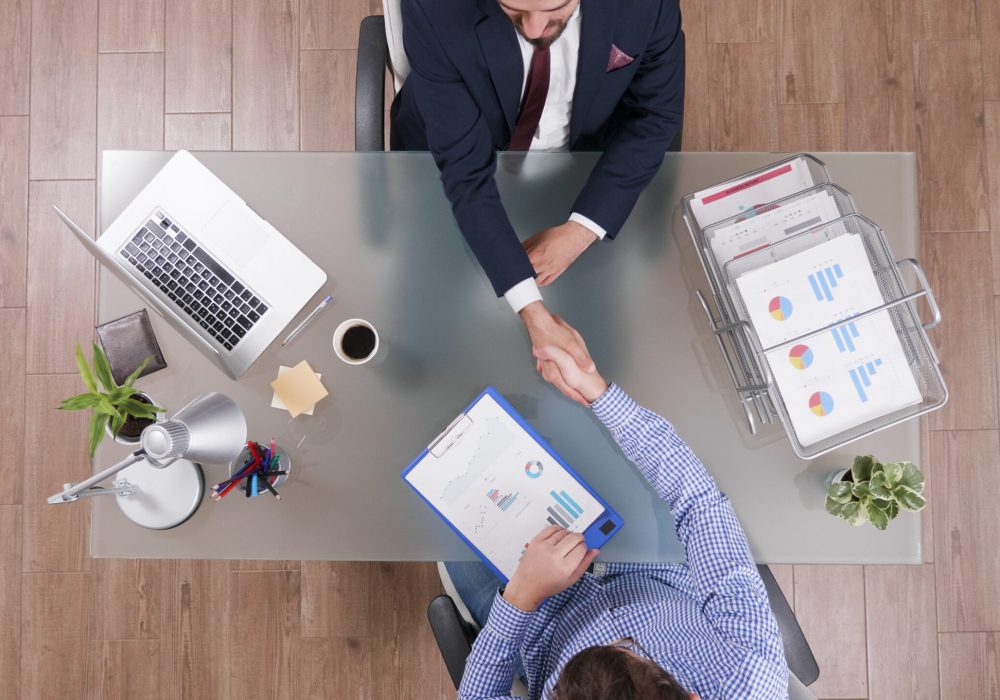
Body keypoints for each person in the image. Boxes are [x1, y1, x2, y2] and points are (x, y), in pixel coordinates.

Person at [446, 319, 790, 699]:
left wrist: (523, 596)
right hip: (645, 563)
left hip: (538, 615)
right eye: (630, 647)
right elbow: (701, 505)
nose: (616, 637)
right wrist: (596, 390)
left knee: (443, 455)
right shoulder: (749, 676)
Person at [391, 0, 685, 400]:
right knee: (426, 355)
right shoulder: (434, 8)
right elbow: (465, 173)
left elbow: (655, 116)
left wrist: (581, 230)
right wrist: (530, 308)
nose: (532, 30)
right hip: (456, 161)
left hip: (587, 175)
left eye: (555, 8)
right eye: (513, 8)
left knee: (614, 356)